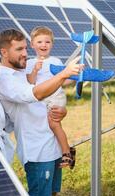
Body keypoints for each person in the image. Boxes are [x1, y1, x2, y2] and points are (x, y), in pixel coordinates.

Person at [0, 29, 83, 196]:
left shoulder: (23, 72)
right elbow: (35, 94)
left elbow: (45, 100)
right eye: (19, 49)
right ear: (4, 52)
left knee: (52, 193)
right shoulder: (4, 80)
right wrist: (64, 73)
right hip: (37, 150)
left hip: (52, 143)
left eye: (26, 48)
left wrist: (62, 111)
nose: (26, 54)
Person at [26, 26, 75, 169]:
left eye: (47, 42)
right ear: (32, 44)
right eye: (40, 42)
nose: (43, 45)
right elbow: (30, 83)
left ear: (52, 44)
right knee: (46, 127)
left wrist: (75, 77)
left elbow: (63, 80)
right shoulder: (29, 63)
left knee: (54, 123)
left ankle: (67, 153)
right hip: (40, 99)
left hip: (55, 96)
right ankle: (61, 150)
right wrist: (35, 70)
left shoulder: (56, 61)